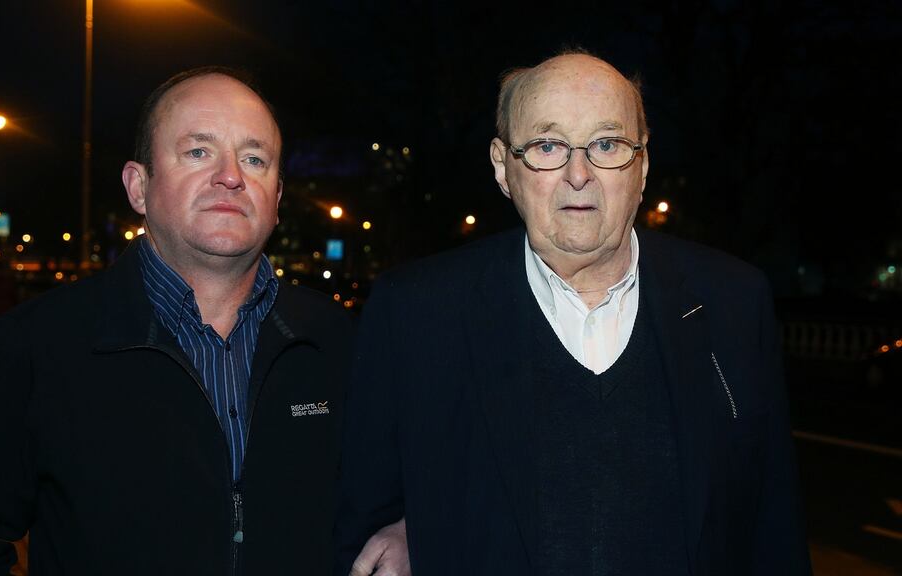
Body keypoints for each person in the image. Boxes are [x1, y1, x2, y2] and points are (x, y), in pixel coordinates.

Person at [0, 66, 405, 575]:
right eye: (198, 151)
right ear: (138, 187)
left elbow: (396, 485)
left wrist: (405, 528)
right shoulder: (39, 343)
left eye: (255, 158)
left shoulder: (335, 336)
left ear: (276, 200)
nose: (231, 175)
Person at [335, 51, 811, 575]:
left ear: (643, 164)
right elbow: (365, 523)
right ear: (502, 167)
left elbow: (773, 526)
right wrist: (416, 528)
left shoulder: (732, 302)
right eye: (547, 145)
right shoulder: (415, 311)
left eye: (606, 144)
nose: (578, 174)